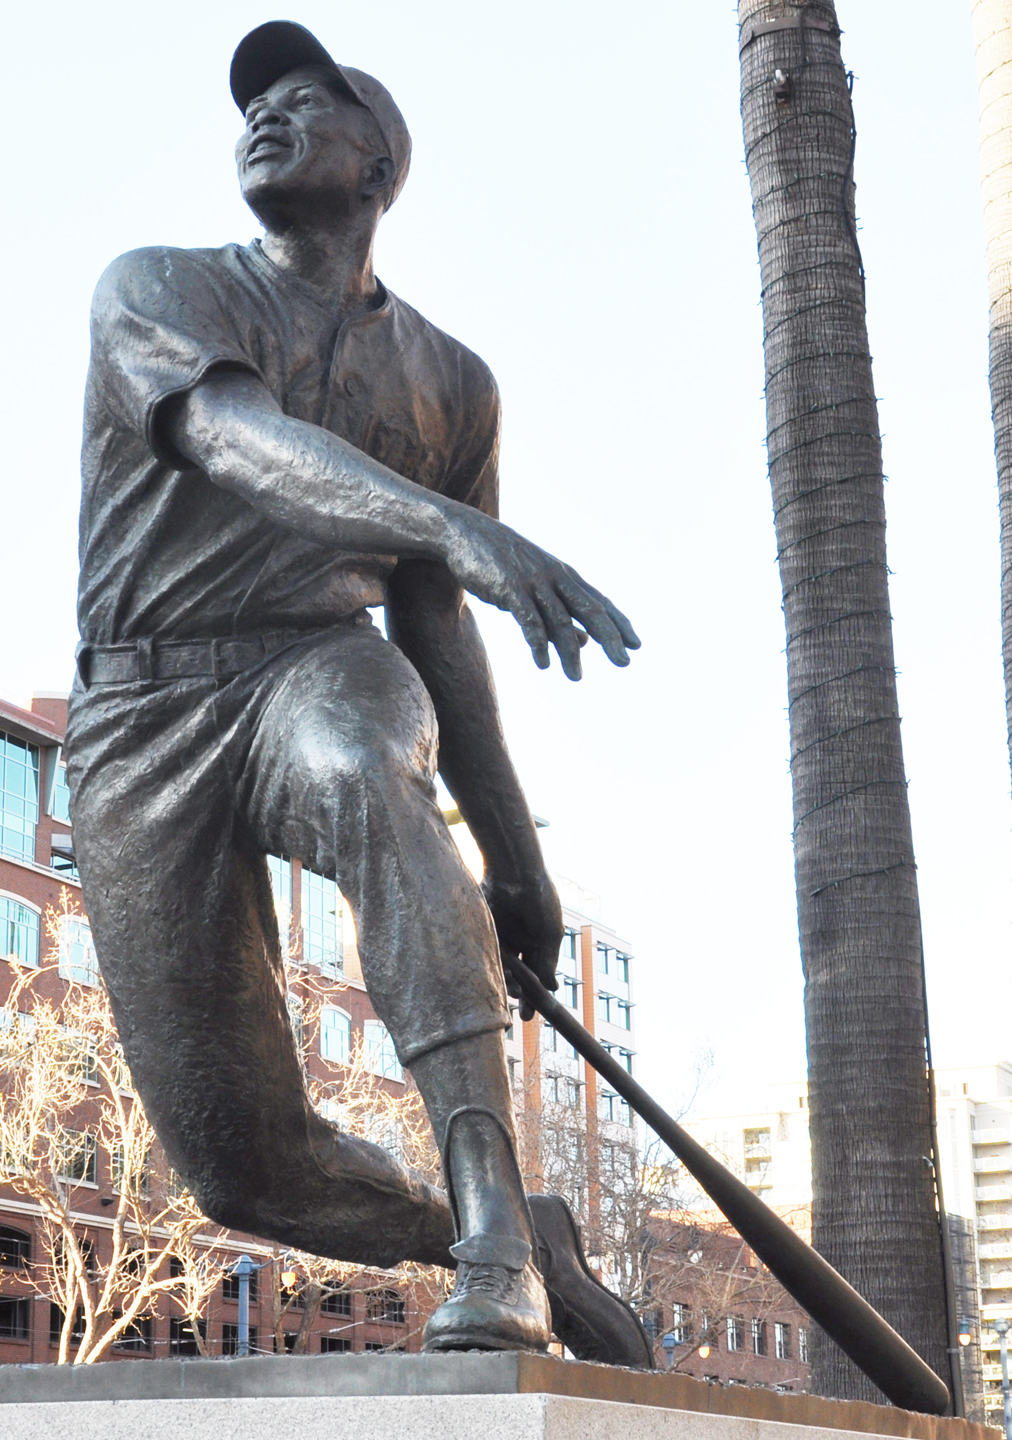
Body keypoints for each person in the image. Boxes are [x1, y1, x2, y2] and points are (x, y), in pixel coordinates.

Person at [67, 20, 646, 1361]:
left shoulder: (449, 383)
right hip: (138, 714)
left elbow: (436, 634)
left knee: (363, 758)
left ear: (379, 162)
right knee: (244, 1170)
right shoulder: (153, 284)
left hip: (306, 663)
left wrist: (514, 859)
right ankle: (489, 1229)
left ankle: (497, 1230)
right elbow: (235, 440)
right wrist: (454, 526)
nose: (261, 115)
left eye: (304, 98)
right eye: (250, 103)